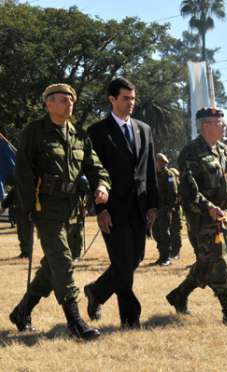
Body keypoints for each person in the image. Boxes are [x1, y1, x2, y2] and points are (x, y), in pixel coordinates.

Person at [9, 83, 110, 340]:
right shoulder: (34, 132)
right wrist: (31, 209)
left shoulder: (79, 134)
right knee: (62, 261)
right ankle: (75, 321)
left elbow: (95, 165)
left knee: (58, 261)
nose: (69, 104)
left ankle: (22, 311)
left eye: (71, 100)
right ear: (48, 103)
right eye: (63, 100)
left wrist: (101, 185)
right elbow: (23, 174)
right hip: (47, 207)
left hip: (73, 207)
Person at [84, 77, 158, 329]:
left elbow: (149, 171)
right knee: (124, 264)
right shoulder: (97, 132)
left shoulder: (144, 129)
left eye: (133, 98)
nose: (131, 103)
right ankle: (131, 319)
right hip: (113, 209)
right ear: (112, 99)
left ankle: (96, 291)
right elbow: (93, 173)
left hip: (139, 207)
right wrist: (100, 209)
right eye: (125, 98)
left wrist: (153, 204)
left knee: (135, 258)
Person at [166, 107, 227, 325]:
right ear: (205, 125)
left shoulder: (225, 151)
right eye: (219, 122)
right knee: (219, 264)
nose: (224, 126)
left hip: (225, 218)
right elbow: (189, 190)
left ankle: (179, 295)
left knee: (206, 262)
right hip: (204, 221)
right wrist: (209, 207)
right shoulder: (191, 153)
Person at [151, 153, 179, 266]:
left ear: (163, 162)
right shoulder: (155, 174)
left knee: (164, 233)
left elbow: (173, 193)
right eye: (156, 161)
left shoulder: (169, 175)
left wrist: (168, 207)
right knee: (156, 232)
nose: (157, 163)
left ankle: (166, 257)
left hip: (165, 209)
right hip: (156, 209)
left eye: (158, 161)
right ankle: (161, 255)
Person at [2, 185, 34, 258]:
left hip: (27, 212)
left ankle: (27, 252)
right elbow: (10, 197)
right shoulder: (17, 186)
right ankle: (24, 252)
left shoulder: (30, 184)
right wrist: (4, 206)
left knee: (26, 233)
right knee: (21, 233)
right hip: (19, 211)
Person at [168, 167, 183, 259]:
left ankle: (176, 252)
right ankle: (172, 251)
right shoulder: (173, 183)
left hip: (177, 210)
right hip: (172, 209)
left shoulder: (179, 185)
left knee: (175, 231)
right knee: (172, 231)